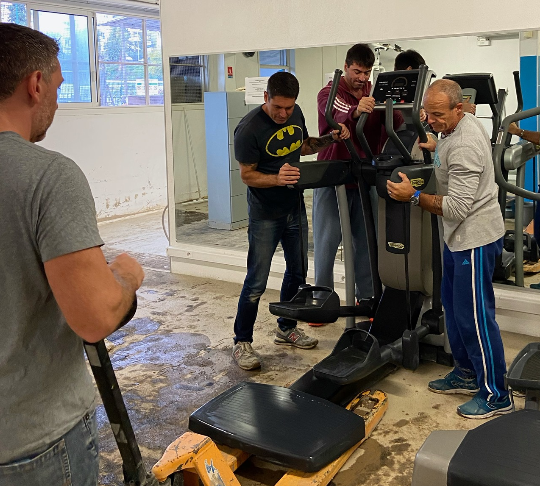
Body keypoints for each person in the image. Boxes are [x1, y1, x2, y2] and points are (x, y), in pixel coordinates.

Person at [0, 23, 144, 484]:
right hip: (32, 445)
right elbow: (94, 317)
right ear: (35, 84)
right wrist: (125, 276)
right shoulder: (48, 177)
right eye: (59, 87)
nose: (58, 103)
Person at [386, 79, 512, 419]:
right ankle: (467, 373)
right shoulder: (456, 125)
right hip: (457, 238)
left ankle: (497, 393)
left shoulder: (466, 144)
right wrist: (434, 143)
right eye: (428, 113)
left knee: (476, 318)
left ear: (459, 109)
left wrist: (413, 196)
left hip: (474, 238)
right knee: (455, 312)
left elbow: (456, 207)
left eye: (438, 115)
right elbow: (446, 140)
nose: (431, 120)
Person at [232, 71, 350, 370]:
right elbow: (247, 175)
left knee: (297, 273)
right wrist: (276, 178)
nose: (283, 114)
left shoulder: (295, 114)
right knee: (256, 281)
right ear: (266, 98)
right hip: (265, 213)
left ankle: (286, 328)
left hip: (294, 207)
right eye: (277, 107)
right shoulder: (248, 128)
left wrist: (330, 138)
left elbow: (303, 146)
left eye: (288, 107)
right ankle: (242, 341)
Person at [311, 43, 404, 325]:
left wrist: (412, 113)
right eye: (357, 72)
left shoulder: (374, 92)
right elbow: (337, 111)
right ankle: (321, 301)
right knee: (328, 242)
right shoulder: (329, 92)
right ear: (346, 67)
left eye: (367, 72)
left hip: (363, 176)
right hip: (333, 177)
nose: (362, 78)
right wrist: (356, 110)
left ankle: (367, 298)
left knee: (366, 241)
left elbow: (396, 119)